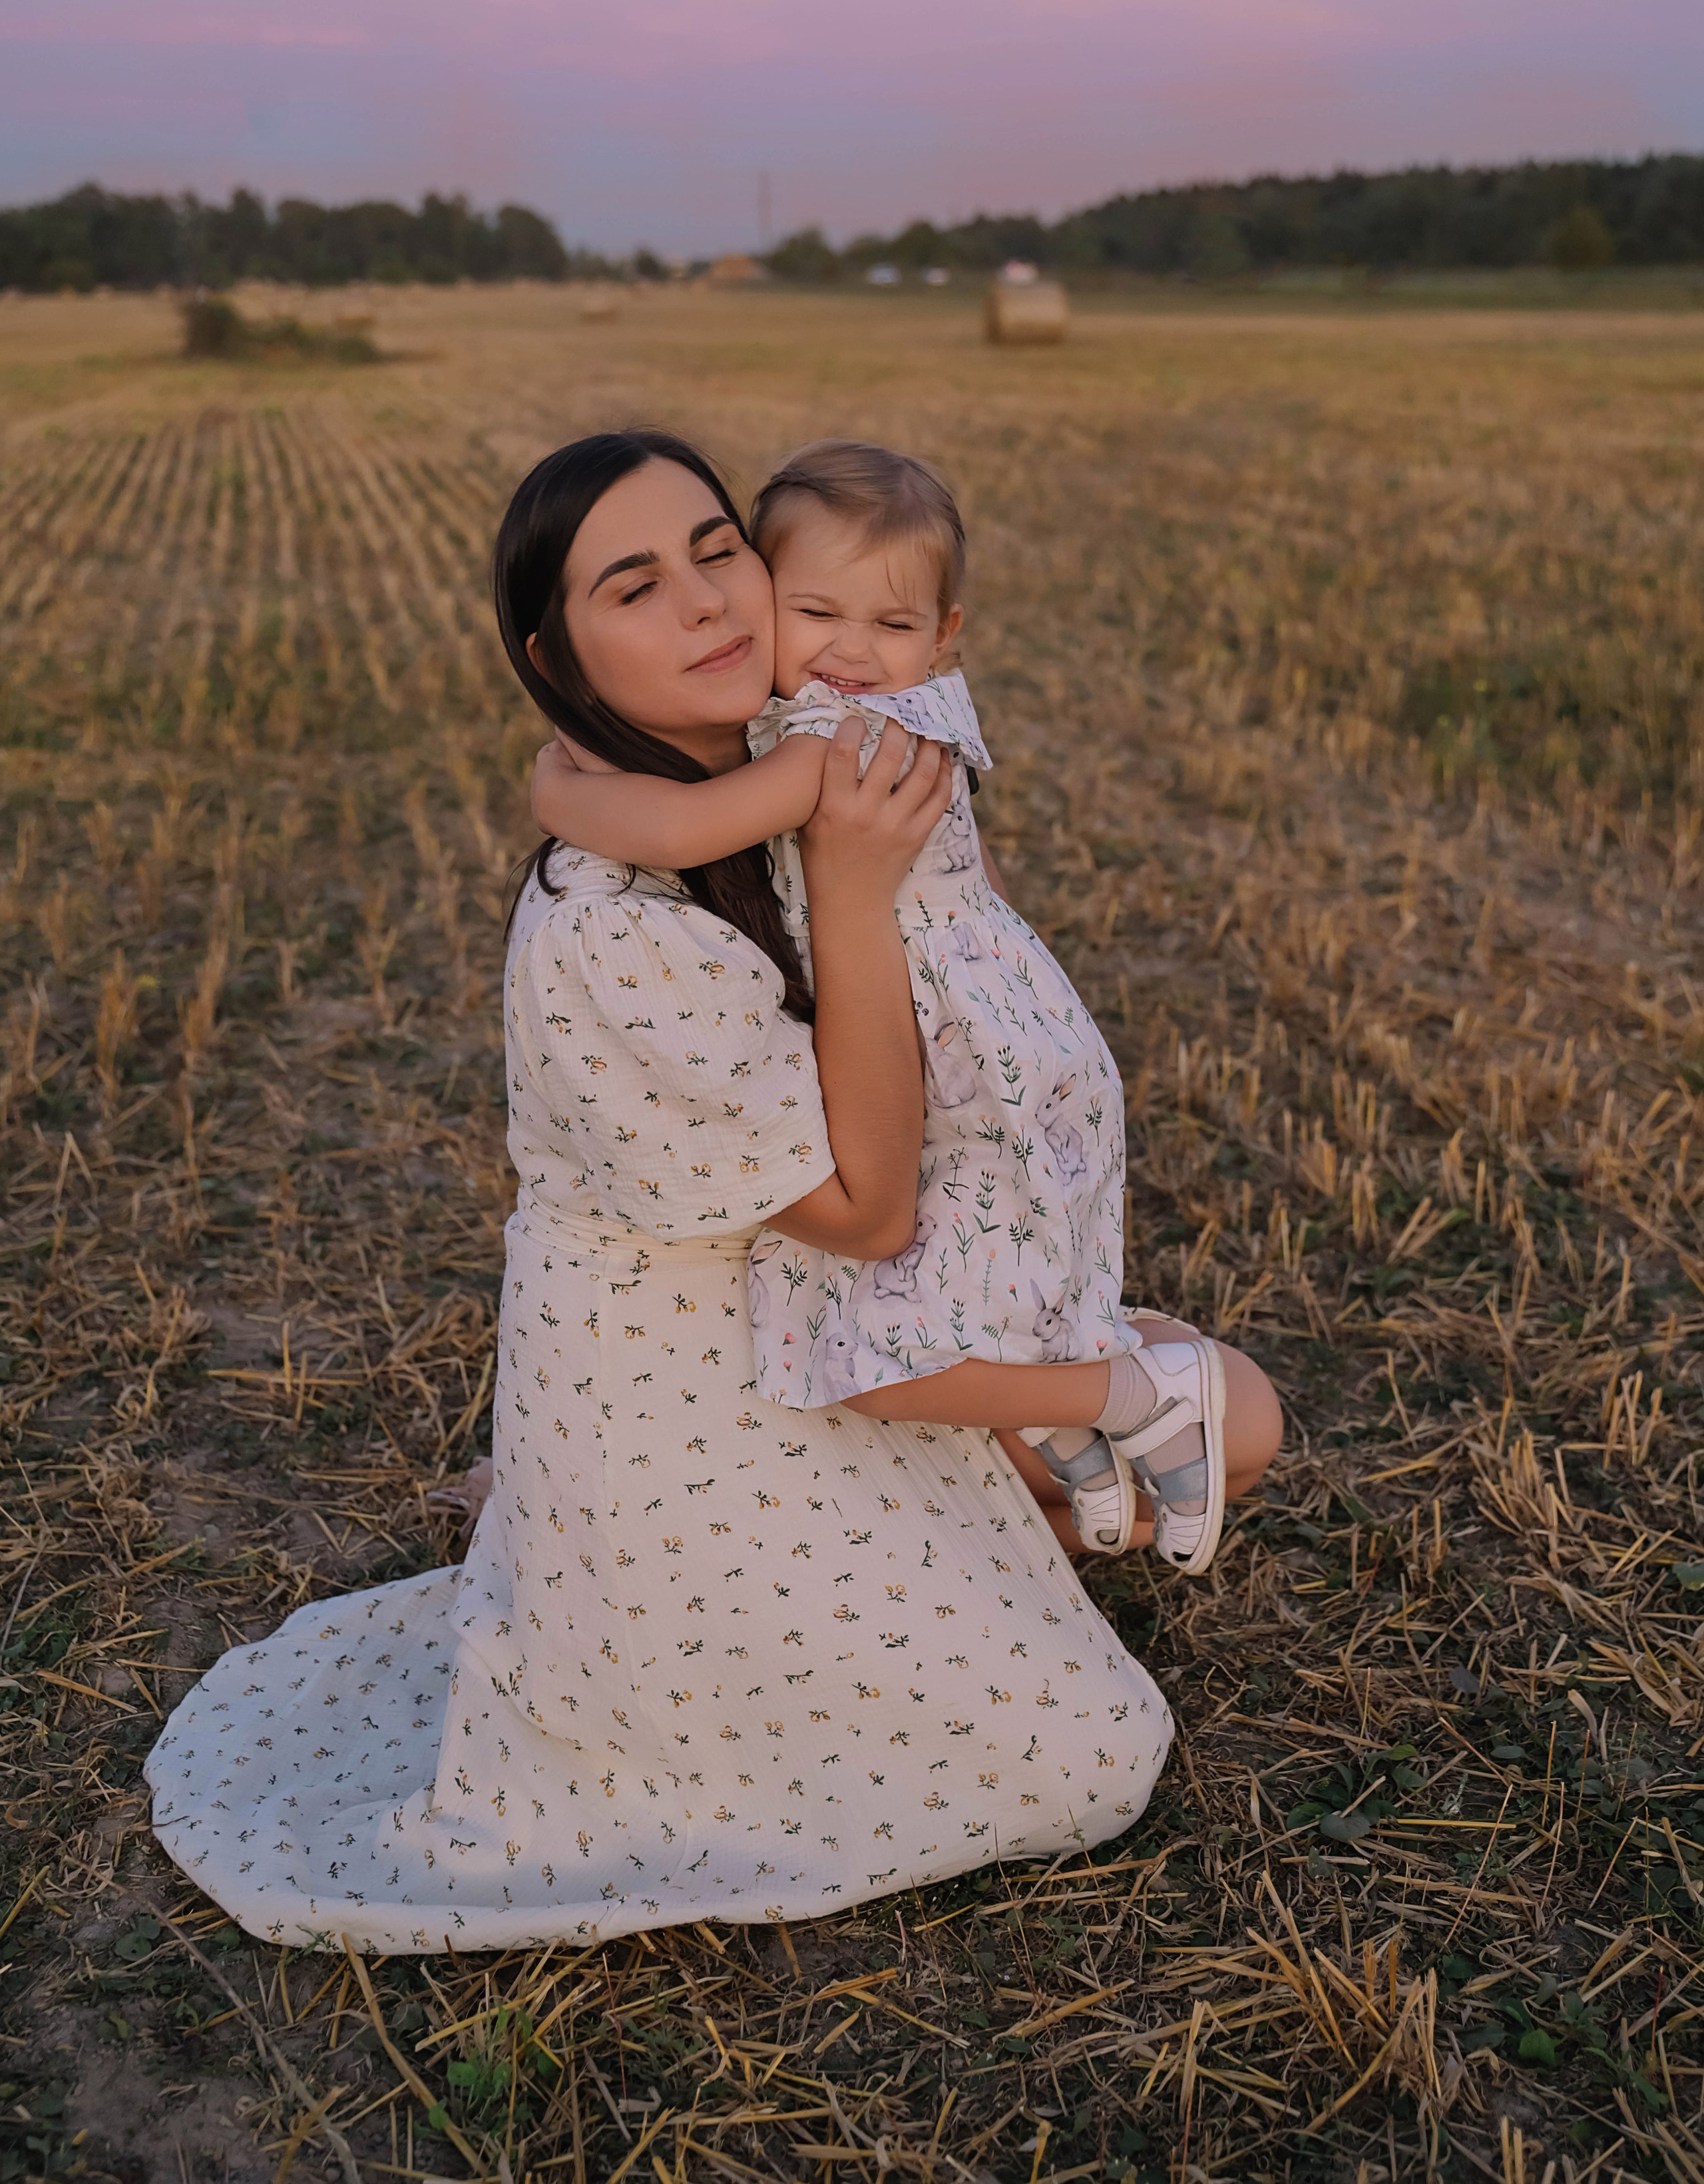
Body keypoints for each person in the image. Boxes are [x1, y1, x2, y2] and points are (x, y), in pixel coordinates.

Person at [143, 429, 1177, 1954]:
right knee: (1086, 1753)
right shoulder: (606, 932)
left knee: (1181, 1444)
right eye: (634, 586)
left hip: (807, 1327)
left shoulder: (780, 738)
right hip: (691, 1397)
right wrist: (846, 889)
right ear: (554, 657)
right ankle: (587, 1542)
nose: (704, 602)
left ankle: (589, 1529)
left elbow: (637, 792)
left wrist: (585, 776)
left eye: (715, 552)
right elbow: (872, 1214)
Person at [527, 439, 1281, 1569]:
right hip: (993, 1042)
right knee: (965, 1312)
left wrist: (551, 780)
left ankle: (1118, 1401)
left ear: (943, 636)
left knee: (925, 1329)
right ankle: (1075, 1437)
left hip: (959, 1054)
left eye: (890, 624)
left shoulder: (843, 739)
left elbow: (681, 828)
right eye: (815, 612)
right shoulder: (866, 733)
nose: (849, 651)